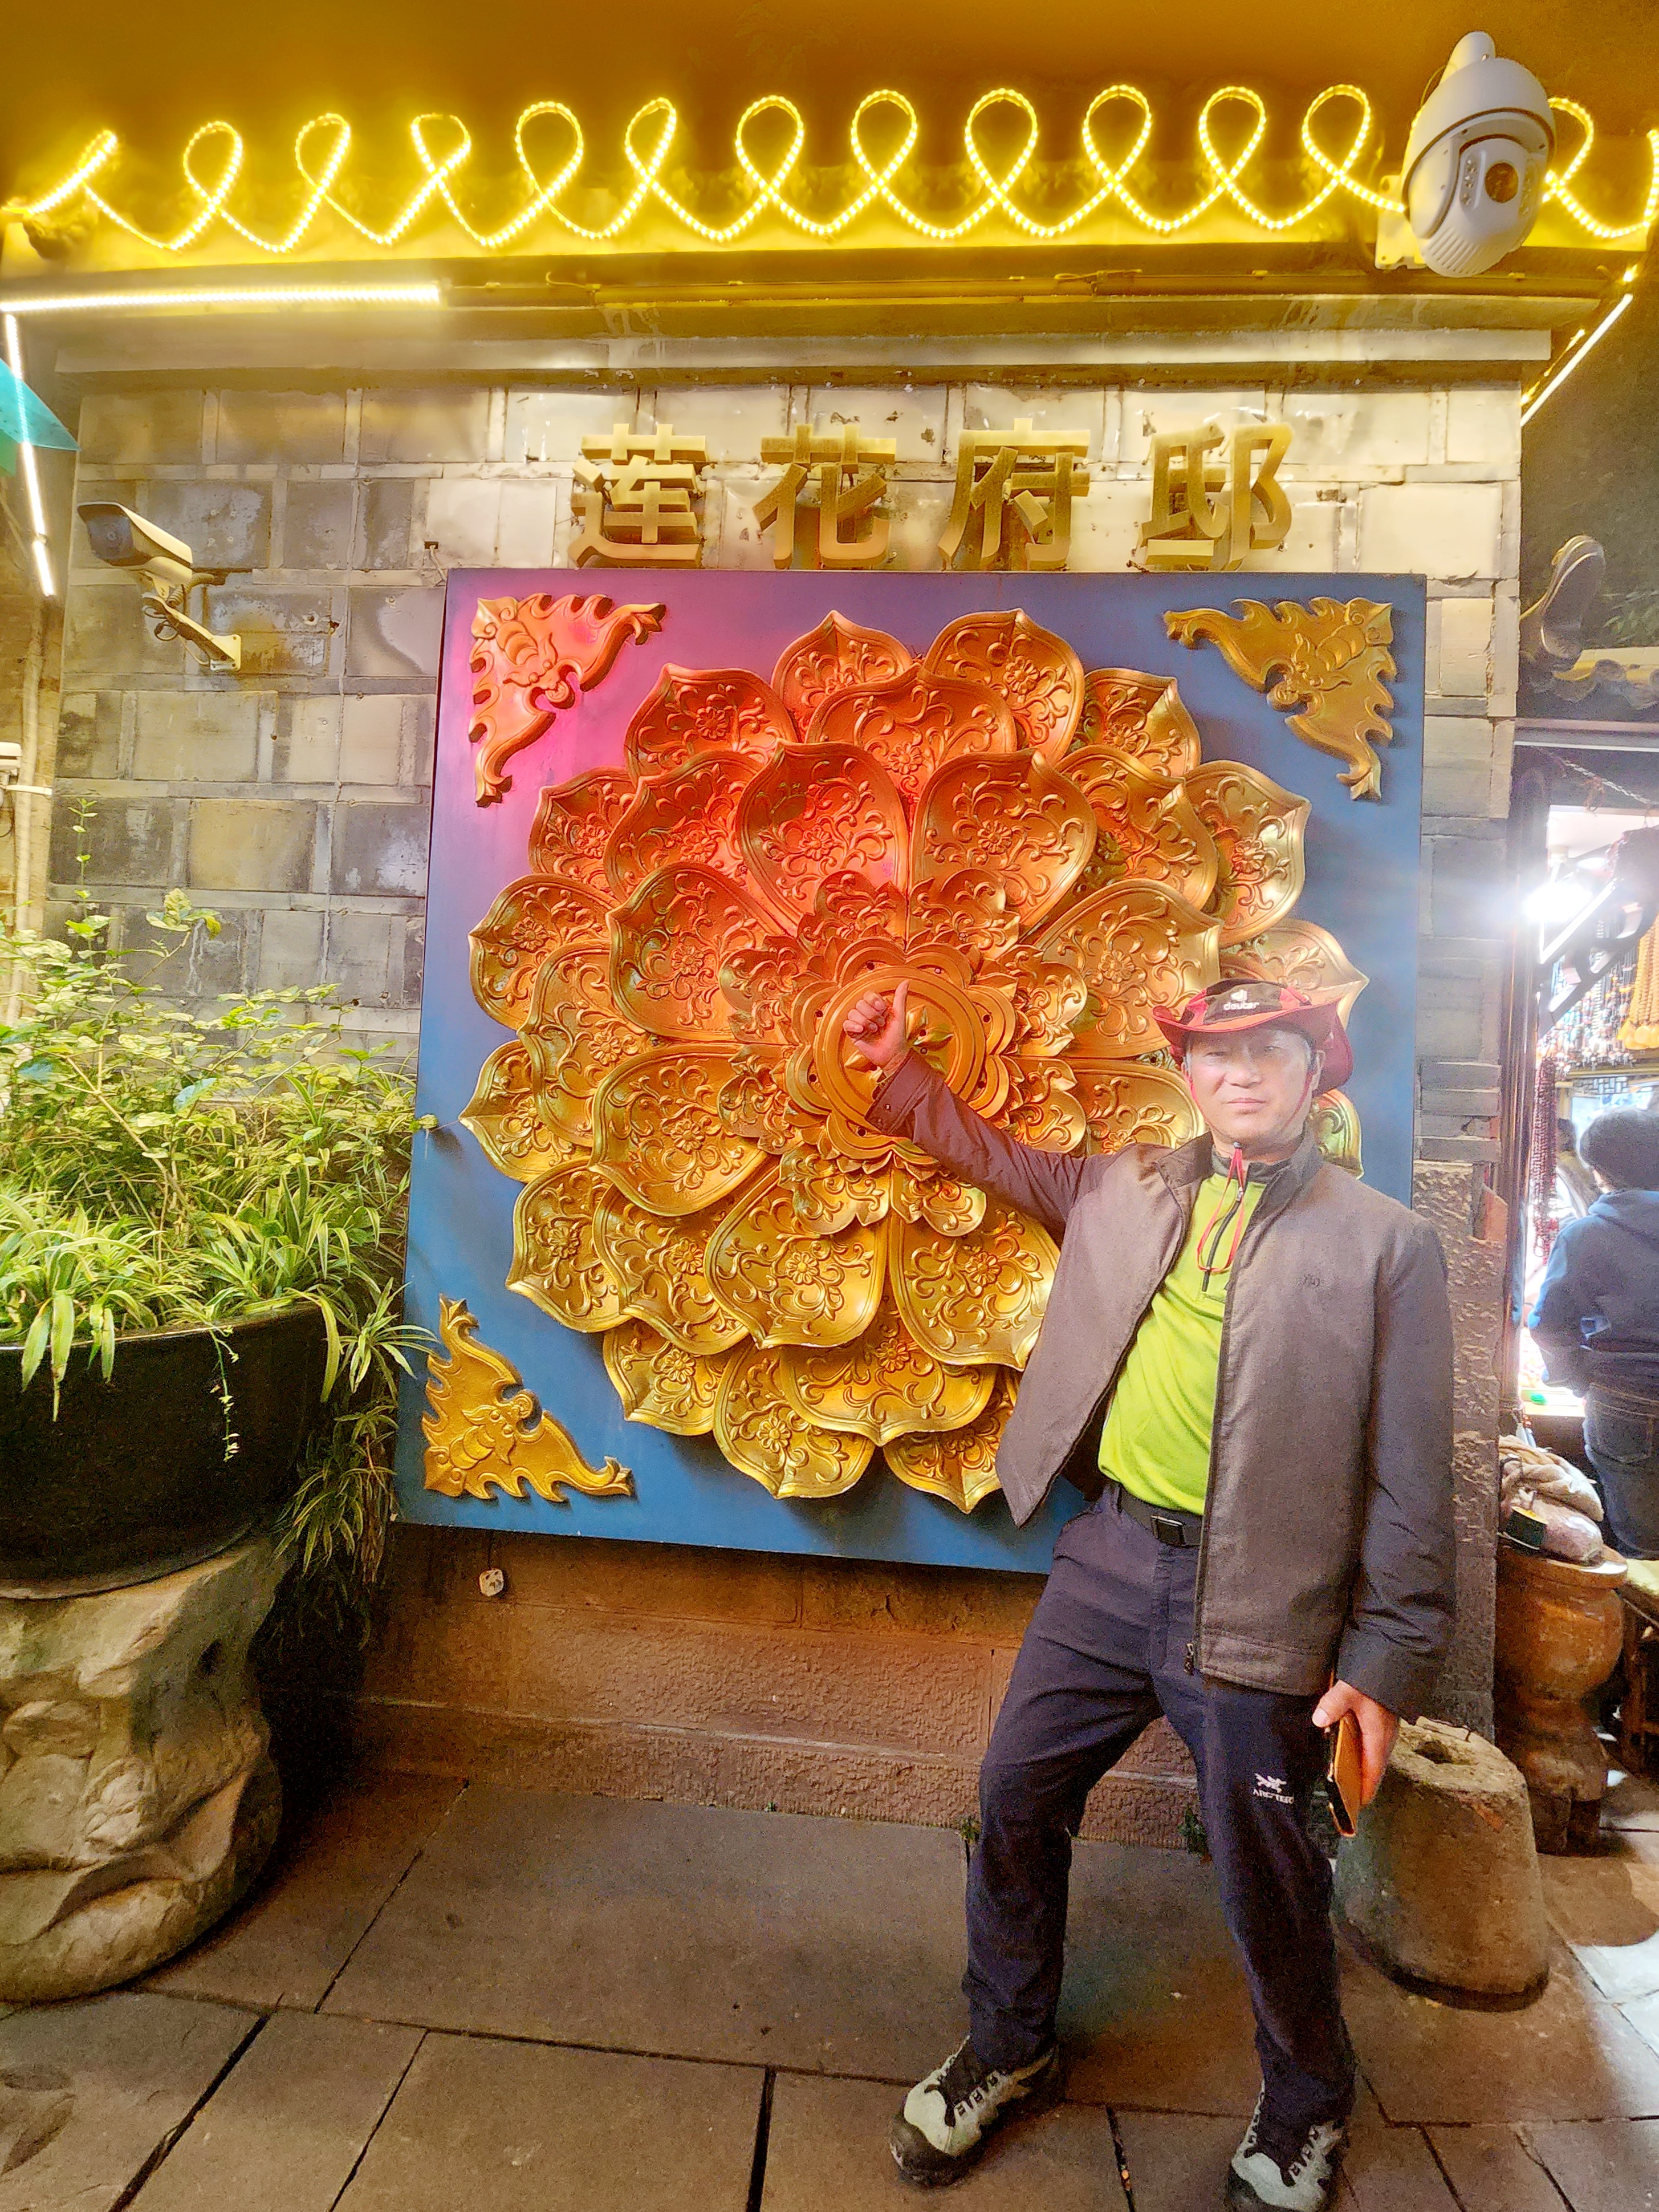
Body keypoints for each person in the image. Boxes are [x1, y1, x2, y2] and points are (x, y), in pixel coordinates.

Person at [841, 975, 1455, 2212]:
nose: (1243, 1072)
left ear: (1315, 1069)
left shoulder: (1386, 1243)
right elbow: (1004, 1162)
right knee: (1015, 1794)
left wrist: (1385, 1658)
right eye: (1219, 1054)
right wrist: (902, 1080)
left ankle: (1307, 2103)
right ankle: (1011, 2042)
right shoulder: (1129, 1186)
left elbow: (1413, 1474)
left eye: (1271, 1051)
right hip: (1114, 1559)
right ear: (1189, 1074)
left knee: (1266, 1866)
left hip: (1266, 1593)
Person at [1530, 1107, 1659, 1559]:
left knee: (1643, 1552)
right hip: (1624, 1396)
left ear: (1600, 1170)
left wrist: (1577, 1377)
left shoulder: (1585, 1235)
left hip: (1624, 1401)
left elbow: (1549, 1325)